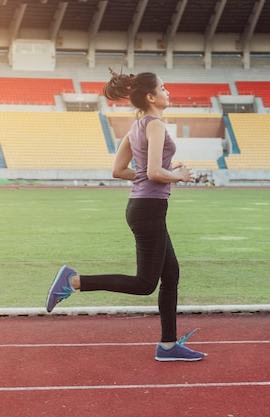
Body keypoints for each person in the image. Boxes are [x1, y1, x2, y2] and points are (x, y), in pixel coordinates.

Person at [45, 69, 206, 362]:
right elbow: (155, 172)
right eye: (164, 88)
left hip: (144, 207)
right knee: (146, 283)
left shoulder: (136, 127)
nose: (167, 92)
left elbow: (119, 171)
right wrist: (179, 175)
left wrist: (154, 175)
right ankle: (75, 281)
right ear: (151, 96)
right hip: (148, 209)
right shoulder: (155, 124)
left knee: (171, 274)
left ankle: (168, 346)